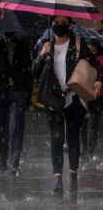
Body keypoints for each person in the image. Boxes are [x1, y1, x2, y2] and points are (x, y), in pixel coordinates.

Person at [33, 16, 102, 195]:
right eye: (56, 23)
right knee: (56, 139)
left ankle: (72, 175)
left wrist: (99, 80)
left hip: (73, 99)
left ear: (70, 25)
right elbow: (34, 73)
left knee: (73, 138)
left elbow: (95, 65)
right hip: (53, 99)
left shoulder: (78, 44)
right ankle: (57, 180)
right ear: (51, 25)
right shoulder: (46, 46)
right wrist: (41, 56)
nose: (60, 26)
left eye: (63, 23)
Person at [0, 32, 33, 177]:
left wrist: (26, 94)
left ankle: (14, 163)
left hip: (17, 91)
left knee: (16, 126)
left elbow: (28, 71)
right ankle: (2, 160)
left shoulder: (23, 46)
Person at [81, 38, 103, 162]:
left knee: (93, 123)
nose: (90, 48)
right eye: (89, 45)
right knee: (83, 123)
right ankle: (85, 148)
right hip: (84, 93)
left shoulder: (100, 59)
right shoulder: (84, 58)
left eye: (92, 46)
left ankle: (90, 148)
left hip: (97, 95)